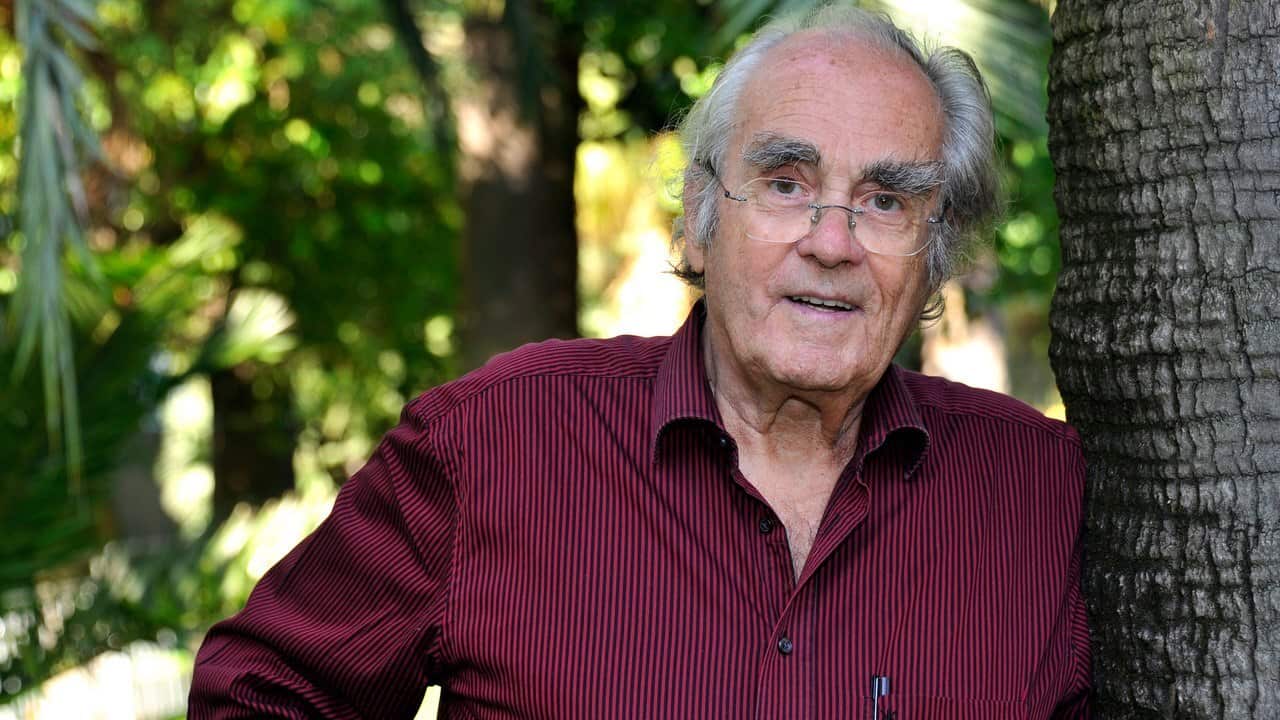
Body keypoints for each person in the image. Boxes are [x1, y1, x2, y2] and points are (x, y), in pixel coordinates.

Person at [189, 4, 1090, 718]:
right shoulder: (490, 444)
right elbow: (265, 694)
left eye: (886, 200)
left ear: (935, 252)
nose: (831, 242)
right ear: (699, 216)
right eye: (786, 184)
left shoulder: (1038, 494)